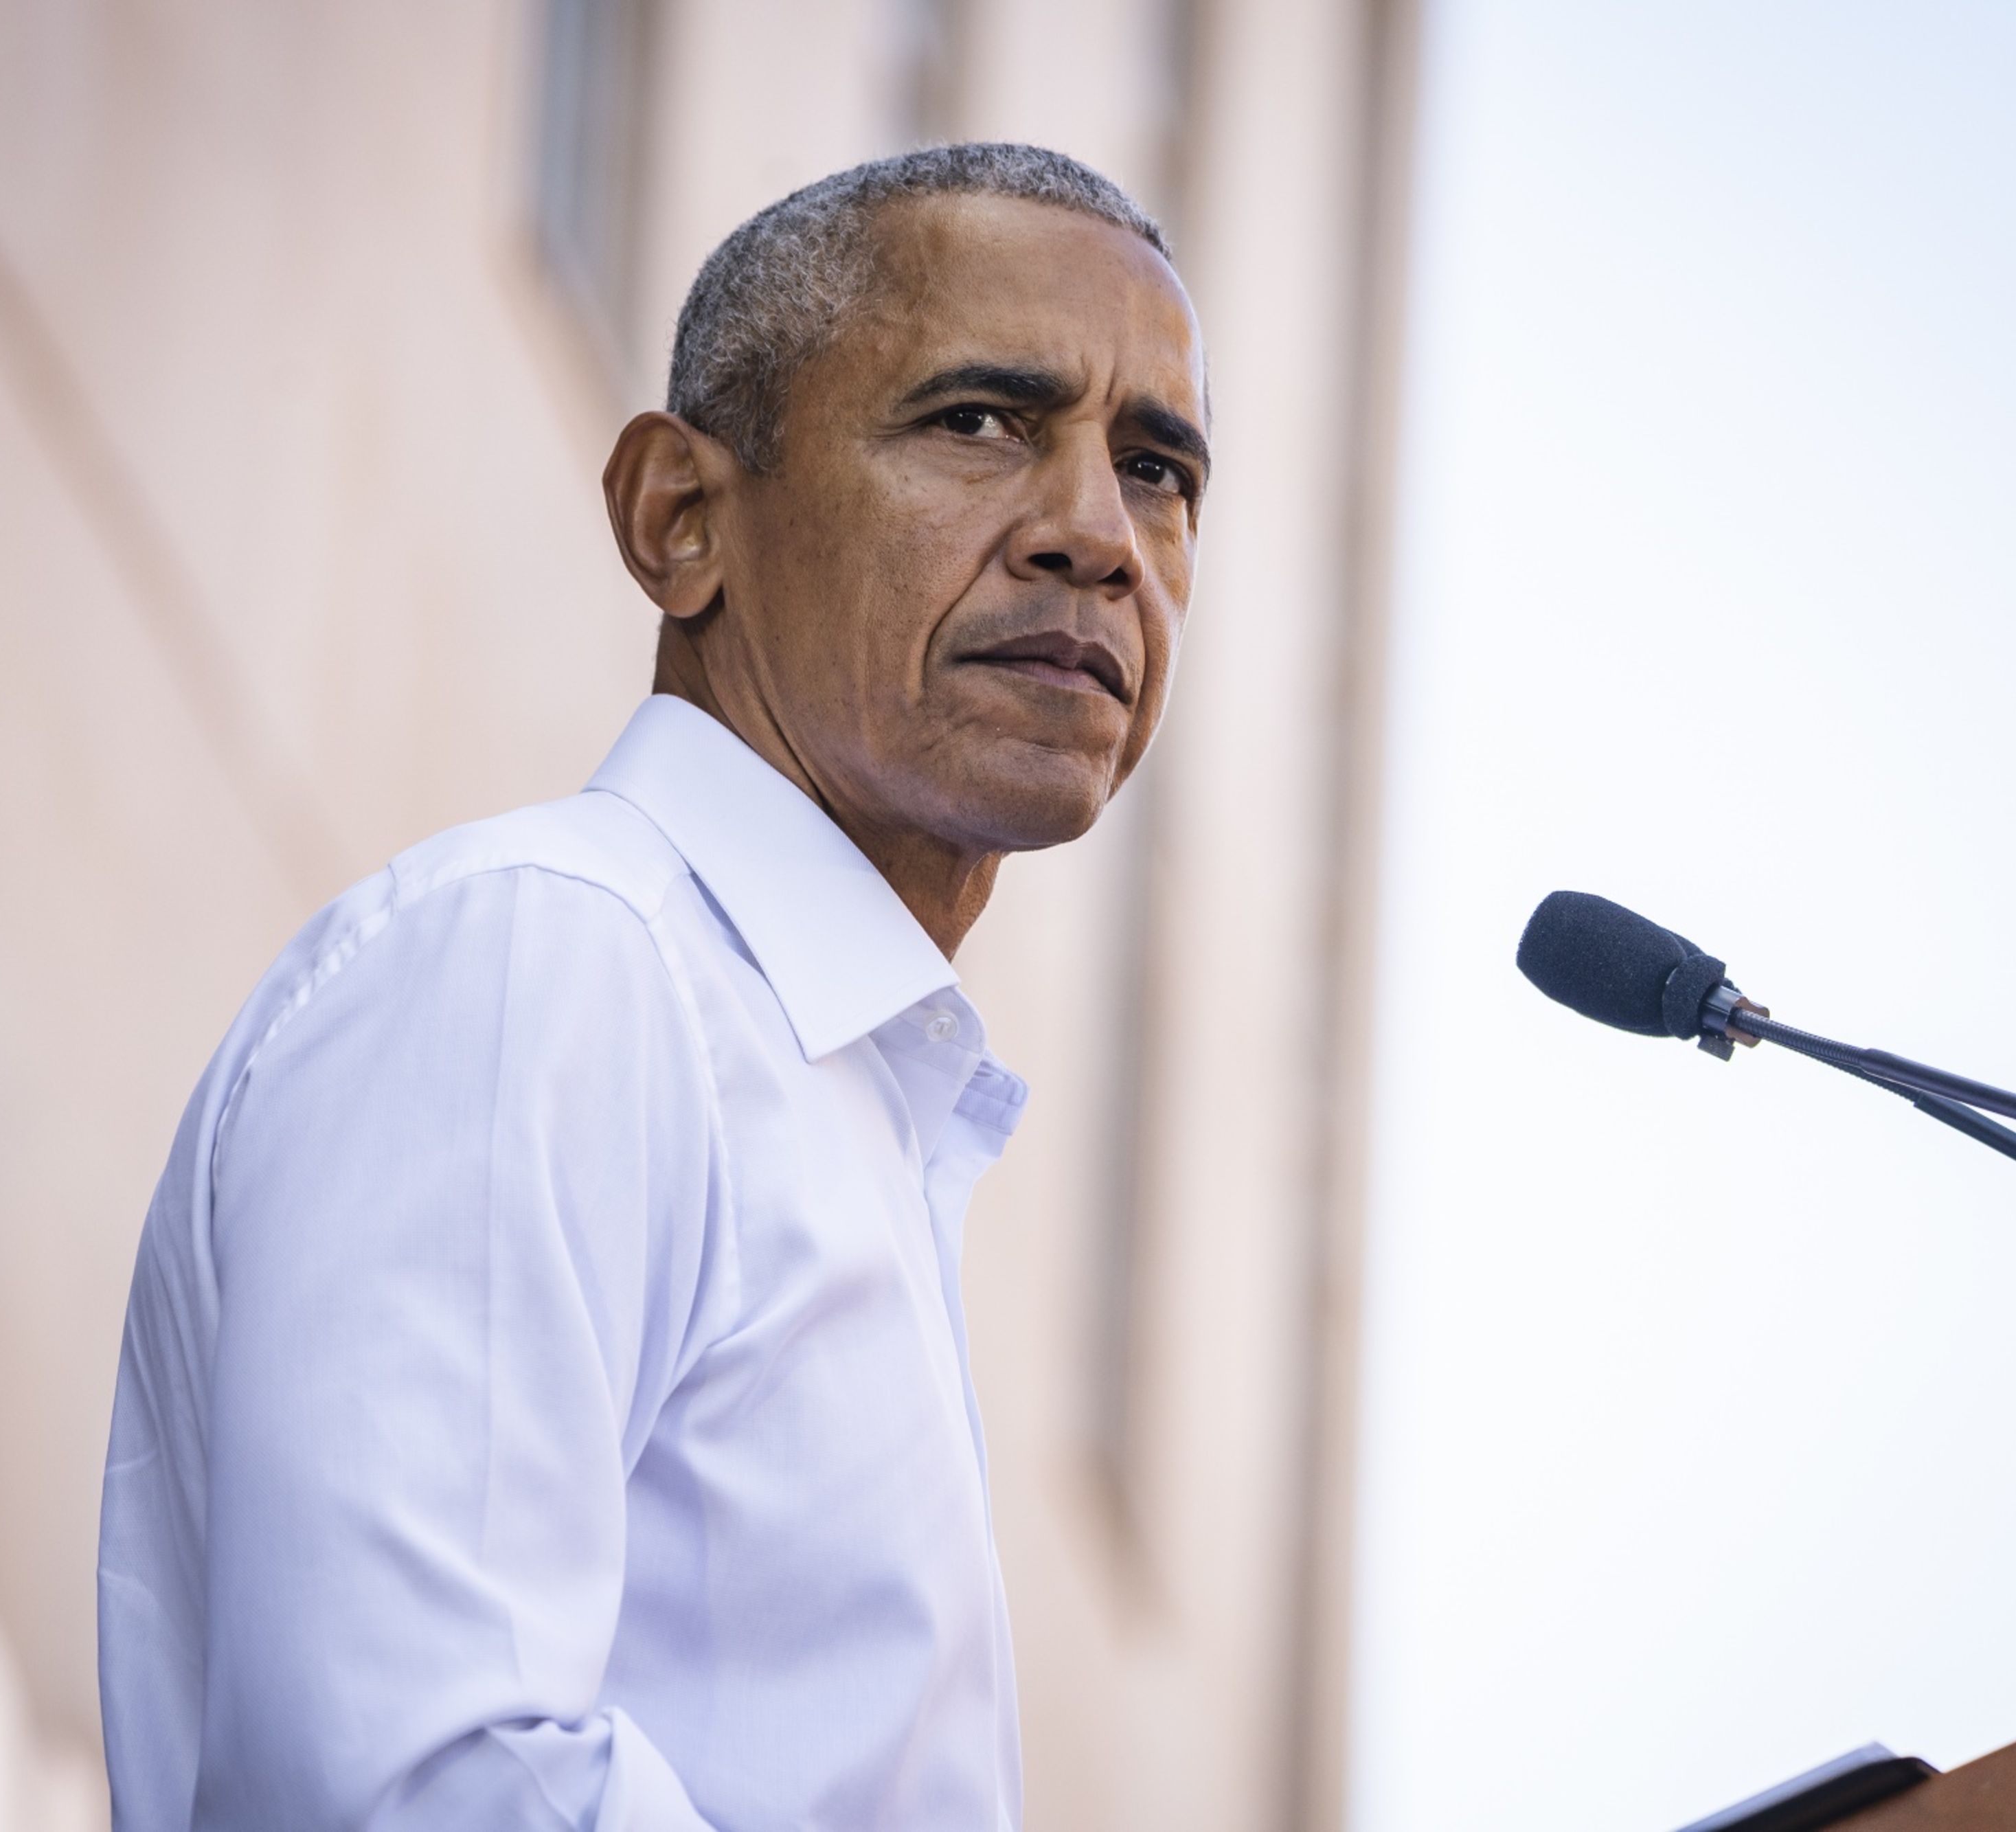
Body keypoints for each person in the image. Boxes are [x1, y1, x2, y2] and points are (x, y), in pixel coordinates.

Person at [98, 142, 1210, 1832]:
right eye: (980, 420)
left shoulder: (847, 1094)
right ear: (679, 518)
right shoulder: (555, 961)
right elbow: (415, 1777)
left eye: (1155, 468)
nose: (1095, 536)